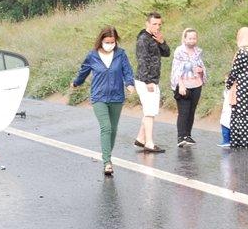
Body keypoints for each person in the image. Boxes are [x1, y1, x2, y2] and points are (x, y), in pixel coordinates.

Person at [72, 26, 136, 177]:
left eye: (113, 42)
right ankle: (107, 162)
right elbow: (84, 71)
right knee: (106, 127)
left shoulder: (120, 54)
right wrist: (76, 83)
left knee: (113, 130)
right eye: (107, 41)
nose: (110, 44)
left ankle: (107, 156)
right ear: (101, 40)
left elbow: (127, 70)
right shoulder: (92, 56)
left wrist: (130, 83)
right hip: (99, 97)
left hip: (117, 97)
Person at [133, 12, 170, 153]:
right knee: (149, 112)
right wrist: (148, 81)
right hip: (145, 80)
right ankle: (149, 142)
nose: (157, 27)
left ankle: (140, 138)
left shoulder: (155, 38)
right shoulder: (143, 38)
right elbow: (142, 60)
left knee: (151, 111)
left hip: (153, 79)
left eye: (159, 24)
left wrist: (162, 42)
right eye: (154, 24)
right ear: (147, 24)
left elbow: (166, 53)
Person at [169, 28, 206, 147]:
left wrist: (201, 71)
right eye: (189, 38)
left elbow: (201, 66)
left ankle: (188, 135)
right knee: (183, 111)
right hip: (184, 85)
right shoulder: (179, 51)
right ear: (184, 38)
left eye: (194, 38)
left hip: (196, 84)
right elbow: (176, 69)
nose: (192, 40)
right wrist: (180, 85)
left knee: (191, 111)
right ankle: (181, 136)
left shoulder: (197, 52)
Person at [227, 26, 248, 148]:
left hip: (241, 84)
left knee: (240, 113)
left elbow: (235, 71)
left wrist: (228, 84)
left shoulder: (241, 52)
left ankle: (241, 141)